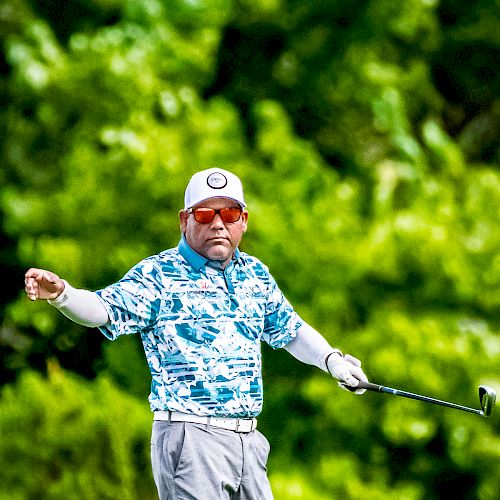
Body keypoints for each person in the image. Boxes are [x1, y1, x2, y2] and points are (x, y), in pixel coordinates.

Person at [25, 168, 368, 500]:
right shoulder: (159, 274)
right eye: (205, 214)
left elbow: (291, 332)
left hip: (248, 442)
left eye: (230, 213)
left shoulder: (255, 275)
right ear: (184, 220)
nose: (218, 223)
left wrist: (333, 361)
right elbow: (102, 310)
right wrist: (62, 294)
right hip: (191, 437)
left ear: (243, 221)